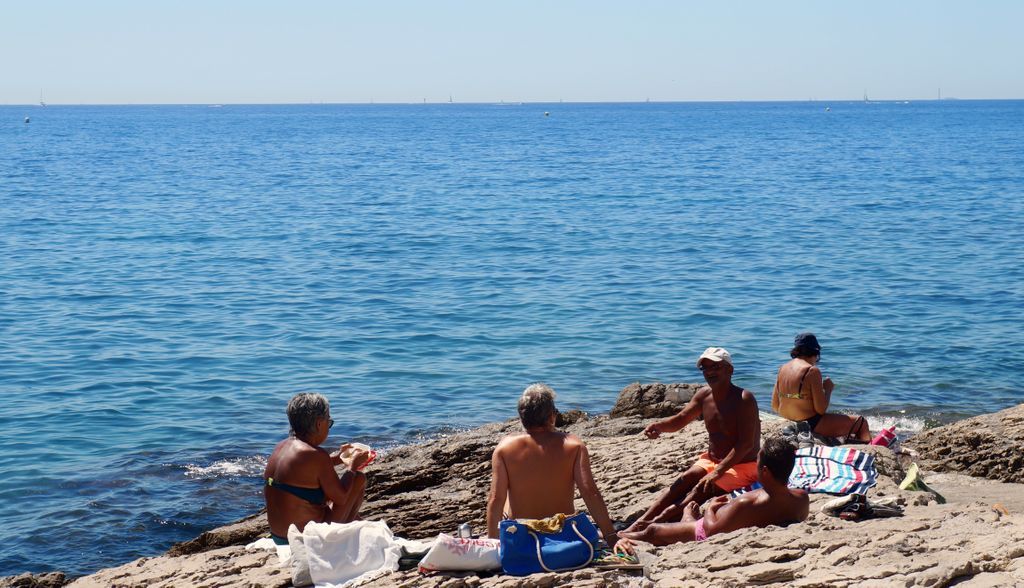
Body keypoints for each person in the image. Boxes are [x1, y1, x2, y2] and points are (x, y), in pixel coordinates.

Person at [623, 347, 761, 534]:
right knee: (683, 480)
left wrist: (717, 472)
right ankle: (642, 521)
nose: (709, 372)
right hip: (712, 460)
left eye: (715, 367)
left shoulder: (744, 398)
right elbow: (681, 419)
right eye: (705, 368)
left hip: (743, 464)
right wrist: (660, 426)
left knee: (700, 488)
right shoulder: (704, 395)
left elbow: (746, 444)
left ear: (730, 369)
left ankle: (653, 523)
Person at [486, 383, 622, 549]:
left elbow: (495, 499)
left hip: (522, 532)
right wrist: (610, 536)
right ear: (552, 416)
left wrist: (492, 544)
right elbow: (590, 492)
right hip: (561, 531)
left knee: (504, 496)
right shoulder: (574, 445)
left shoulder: (504, 448)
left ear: (522, 418)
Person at [618, 435, 808, 545]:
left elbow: (711, 532)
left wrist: (710, 508)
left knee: (653, 530)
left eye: (757, 461)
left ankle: (620, 537)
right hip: (729, 522)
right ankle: (687, 517)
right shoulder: (801, 497)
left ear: (764, 471)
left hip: (703, 531)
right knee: (685, 516)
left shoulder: (748, 502)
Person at [263, 392, 370, 544]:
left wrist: (338, 458)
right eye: (329, 422)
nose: (329, 426)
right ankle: (348, 533)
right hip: (303, 539)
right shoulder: (316, 455)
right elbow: (342, 497)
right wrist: (352, 466)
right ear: (319, 423)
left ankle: (356, 525)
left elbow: (307, 472)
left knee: (322, 497)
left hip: (278, 537)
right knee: (358, 479)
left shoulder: (281, 447)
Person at [771, 332, 871, 443]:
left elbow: (775, 405)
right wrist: (828, 390)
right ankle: (869, 449)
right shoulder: (811, 371)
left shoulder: (782, 368)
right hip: (810, 423)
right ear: (815, 351)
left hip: (789, 418)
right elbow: (821, 409)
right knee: (861, 422)